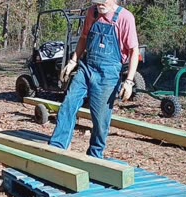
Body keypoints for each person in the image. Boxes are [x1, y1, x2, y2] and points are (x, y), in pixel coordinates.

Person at [48, 0, 140, 159]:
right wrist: (73, 61)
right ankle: (57, 148)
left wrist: (129, 81)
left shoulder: (126, 18)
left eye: (103, 2)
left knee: (100, 119)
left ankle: (95, 156)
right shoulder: (92, 12)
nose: (99, 5)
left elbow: (133, 51)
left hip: (108, 74)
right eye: (96, 2)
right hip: (86, 68)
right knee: (68, 104)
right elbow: (84, 38)